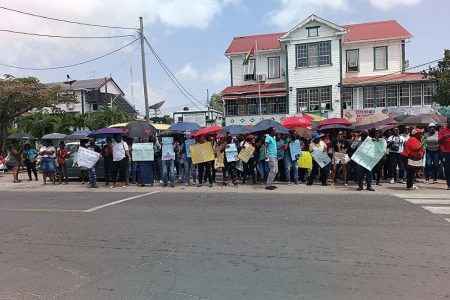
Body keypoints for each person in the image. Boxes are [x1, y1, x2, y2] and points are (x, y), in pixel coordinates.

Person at [438, 116, 450, 190]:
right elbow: (439, 142)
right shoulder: (442, 131)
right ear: (447, 122)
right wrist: (444, 137)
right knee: (447, 169)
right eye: (449, 122)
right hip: (446, 152)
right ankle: (449, 184)